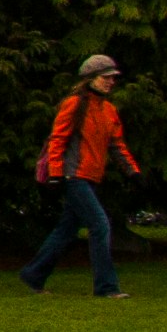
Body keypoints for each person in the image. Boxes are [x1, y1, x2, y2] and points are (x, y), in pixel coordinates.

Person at [23, 54, 143, 298]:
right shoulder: (75, 104)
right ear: (91, 79)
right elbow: (57, 140)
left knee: (66, 230)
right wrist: (56, 174)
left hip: (90, 177)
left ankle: (33, 274)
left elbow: (116, 145)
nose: (111, 82)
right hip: (73, 176)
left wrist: (134, 172)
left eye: (113, 78)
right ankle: (106, 288)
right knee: (99, 225)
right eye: (106, 77)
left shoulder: (108, 110)